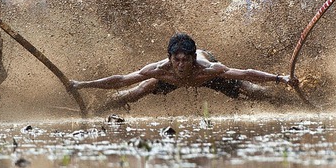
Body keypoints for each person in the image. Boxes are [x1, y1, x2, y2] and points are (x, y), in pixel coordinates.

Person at [70, 33, 297, 113]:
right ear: (170, 59)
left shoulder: (208, 68)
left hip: (208, 77)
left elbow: (246, 73)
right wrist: (82, 84)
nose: (180, 64)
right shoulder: (160, 70)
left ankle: (289, 102)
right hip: (167, 80)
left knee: (253, 91)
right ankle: (99, 109)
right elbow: (122, 80)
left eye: (185, 60)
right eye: (176, 59)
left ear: (192, 59)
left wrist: (280, 79)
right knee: (137, 90)